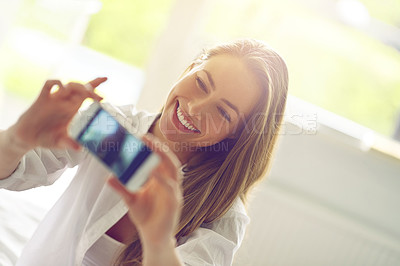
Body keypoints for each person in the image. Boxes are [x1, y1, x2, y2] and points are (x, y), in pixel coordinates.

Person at [0, 39, 288, 266]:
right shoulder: (114, 133)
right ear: (190, 67)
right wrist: (19, 138)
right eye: (201, 83)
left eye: (223, 112)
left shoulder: (220, 212)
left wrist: (158, 241)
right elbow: (13, 173)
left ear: (239, 134)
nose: (195, 108)